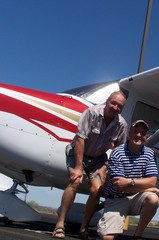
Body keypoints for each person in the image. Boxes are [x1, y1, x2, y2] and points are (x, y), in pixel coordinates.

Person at [52, 91, 128, 240]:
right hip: (78, 153)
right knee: (75, 181)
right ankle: (60, 225)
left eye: (120, 106)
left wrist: (105, 167)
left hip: (98, 159)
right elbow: (81, 139)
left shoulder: (122, 124)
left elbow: (120, 151)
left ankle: (84, 228)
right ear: (107, 101)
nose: (115, 107)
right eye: (113, 103)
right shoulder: (91, 113)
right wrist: (78, 167)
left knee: (96, 189)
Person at [97, 120, 159, 240]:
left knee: (153, 199)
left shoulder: (149, 154)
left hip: (137, 197)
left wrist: (130, 182)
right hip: (117, 198)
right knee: (107, 238)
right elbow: (119, 185)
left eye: (142, 133)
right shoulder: (117, 153)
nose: (138, 135)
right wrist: (147, 188)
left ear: (147, 137)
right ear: (129, 133)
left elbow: (152, 181)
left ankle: (138, 235)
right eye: (136, 132)